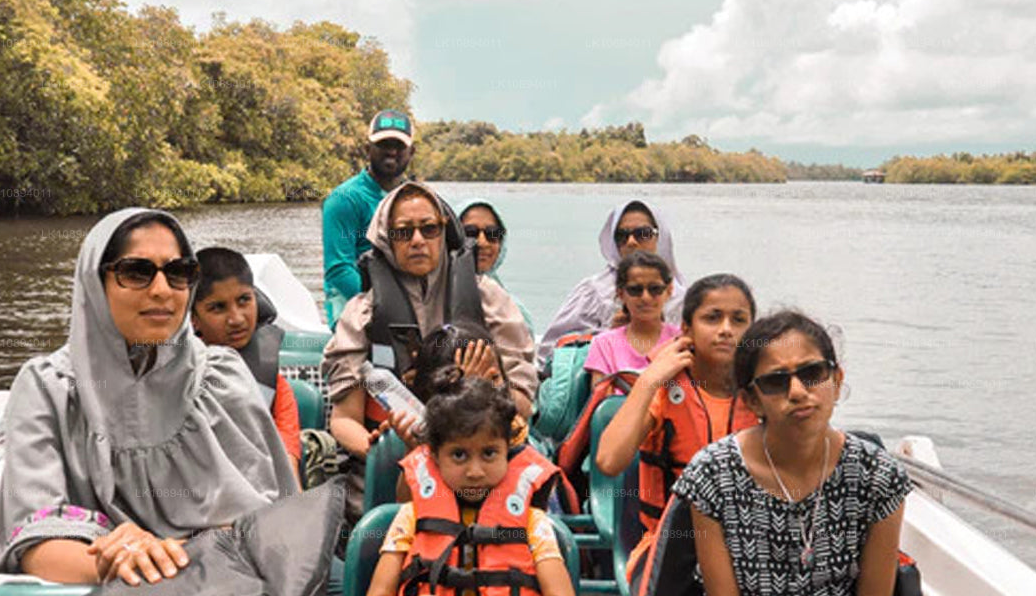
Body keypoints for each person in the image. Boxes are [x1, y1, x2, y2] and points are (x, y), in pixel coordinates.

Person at [0, 209, 299, 586]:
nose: (161, 290)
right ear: (95, 281)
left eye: (178, 273)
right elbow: (36, 542)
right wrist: (124, 557)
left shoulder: (222, 376)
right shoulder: (47, 388)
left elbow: (267, 523)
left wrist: (172, 553)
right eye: (137, 272)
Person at [324, 182, 538, 521]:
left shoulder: (490, 300)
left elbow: (523, 405)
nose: (418, 240)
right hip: (392, 459)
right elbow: (344, 419)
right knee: (377, 522)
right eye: (403, 232)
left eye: (429, 228)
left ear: (445, 231)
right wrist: (383, 446)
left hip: (481, 456)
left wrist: (485, 391)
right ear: (385, 238)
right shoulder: (361, 313)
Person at [675, 311, 911, 595]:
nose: (797, 392)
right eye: (776, 381)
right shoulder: (712, 475)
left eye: (812, 373)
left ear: (836, 381)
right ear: (752, 401)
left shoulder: (877, 475)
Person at [595, 274, 761, 581]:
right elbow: (608, 461)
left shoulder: (764, 393)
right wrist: (648, 381)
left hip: (750, 546)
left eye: (738, 320)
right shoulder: (663, 392)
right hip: (670, 547)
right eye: (713, 318)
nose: (726, 329)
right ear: (687, 329)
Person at [366, 370, 576, 596]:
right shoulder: (410, 517)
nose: (475, 472)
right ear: (435, 456)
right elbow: (380, 590)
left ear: (507, 450)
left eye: (489, 453)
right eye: (459, 455)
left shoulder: (533, 522)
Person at [191, 246, 302, 480]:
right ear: (193, 319)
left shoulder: (277, 388)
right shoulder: (180, 379)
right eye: (218, 308)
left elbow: (288, 472)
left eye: (244, 300)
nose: (237, 319)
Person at [537, 200, 686, 369]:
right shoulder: (593, 292)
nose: (631, 242)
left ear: (661, 237)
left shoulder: (683, 298)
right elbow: (549, 352)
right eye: (622, 235)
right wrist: (609, 336)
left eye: (643, 234)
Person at [322, 109, 416, 329]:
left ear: (412, 151)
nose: (391, 151)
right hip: (353, 307)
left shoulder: (415, 198)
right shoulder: (344, 199)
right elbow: (339, 269)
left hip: (404, 302)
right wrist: (388, 307)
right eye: (383, 144)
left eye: (399, 145)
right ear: (367, 149)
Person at [583, 251, 682, 389]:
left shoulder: (682, 342)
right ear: (620, 293)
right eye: (635, 290)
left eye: (655, 289)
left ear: (669, 290)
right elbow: (600, 398)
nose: (645, 297)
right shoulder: (604, 345)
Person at [456, 197, 536, 337]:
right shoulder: (437, 300)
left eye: (492, 234)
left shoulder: (513, 309)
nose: (482, 243)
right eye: (470, 233)